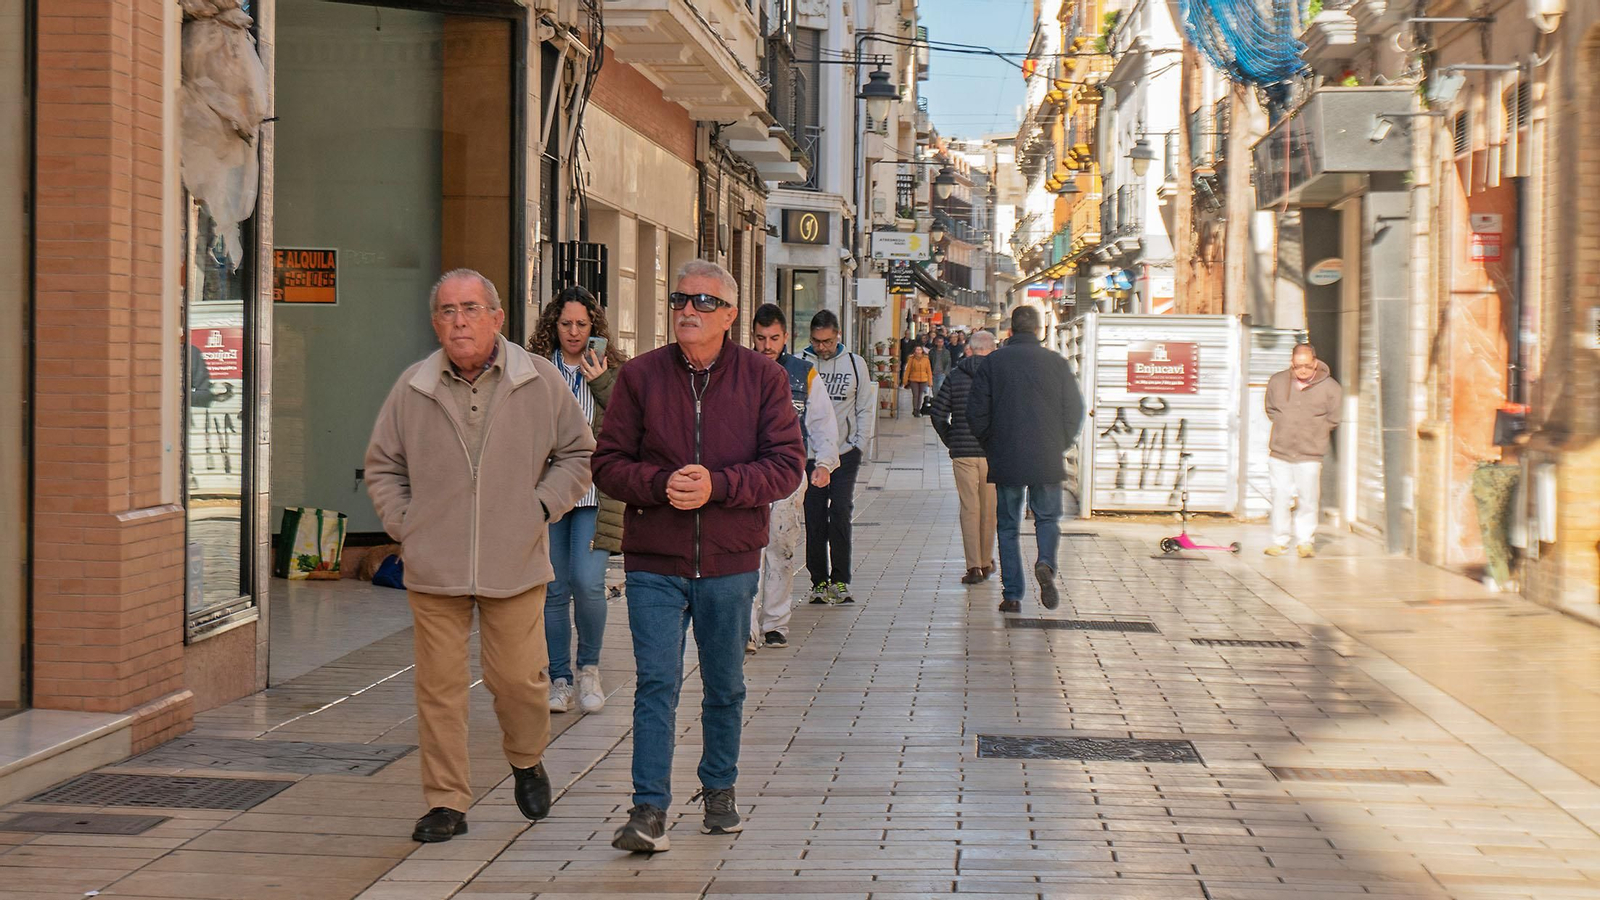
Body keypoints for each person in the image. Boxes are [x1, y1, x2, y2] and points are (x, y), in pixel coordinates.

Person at [365, 269, 595, 843]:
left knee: (518, 682)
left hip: (514, 561)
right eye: (446, 311)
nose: (458, 320)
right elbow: (384, 466)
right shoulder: (414, 386)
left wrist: (540, 507)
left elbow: (579, 453)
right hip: (434, 566)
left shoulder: (537, 380)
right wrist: (406, 525)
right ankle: (446, 802)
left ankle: (525, 757)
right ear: (435, 322)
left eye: (470, 309)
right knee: (438, 689)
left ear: (496, 318)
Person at [592, 260, 805, 853]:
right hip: (654, 560)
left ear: (731, 315)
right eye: (681, 299)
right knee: (656, 681)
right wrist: (661, 485)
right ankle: (648, 810)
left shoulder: (763, 378)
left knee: (725, 684)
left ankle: (718, 790)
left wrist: (719, 487)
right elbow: (607, 463)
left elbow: (787, 465)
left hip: (730, 561)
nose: (688, 309)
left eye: (704, 302)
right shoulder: (638, 377)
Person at [527, 286, 630, 715]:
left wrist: (599, 379)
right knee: (554, 588)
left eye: (581, 325)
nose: (572, 332)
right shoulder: (536, 370)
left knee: (588, 584)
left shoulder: (612, 370)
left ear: (595, 328)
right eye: (565, 324)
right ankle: (559, 678)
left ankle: (589, 668)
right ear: (554, 324)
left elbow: (628, 420)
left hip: (595, 493)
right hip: (550, 492)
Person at [966, 305, 1085, 614]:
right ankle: (1045, 562)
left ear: (1010, 331)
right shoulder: (1056, 363)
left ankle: (1013, 594)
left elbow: (975, 412)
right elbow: (1075, 409)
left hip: (1006, 456)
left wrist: (991, 443)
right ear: (1039, 330)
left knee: (1007, 525)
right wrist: (1060, 443)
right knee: (1047, 518)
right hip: (1046, 454)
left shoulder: (993, 363)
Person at [748, 304, 840, 650]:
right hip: (748, 473)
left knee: (781, 547)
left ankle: (775, 622)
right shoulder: (741, 369)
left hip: (788, 473)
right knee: (748, 549)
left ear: (786, 337)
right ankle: (747, 624)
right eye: (760, 338)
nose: (767, 345)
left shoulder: (805, 374)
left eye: (773, 338)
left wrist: (825, 463)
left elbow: (821, 422)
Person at [802, 309, 876, 605]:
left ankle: (840, 580)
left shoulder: (855, 365)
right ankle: (818, 580)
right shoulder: (801, 363)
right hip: (810, 455)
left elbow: (865, 407)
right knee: (814, 515)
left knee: (841, 513)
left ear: (838, 336)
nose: (822, 347)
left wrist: (860, 444)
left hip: (845, 453)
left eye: (828, 341)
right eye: (817, 342)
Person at [930, 330, 998, 584]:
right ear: (992, 350)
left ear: (969, 349)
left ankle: (973, 567)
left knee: (969, 508)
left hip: (963, 453)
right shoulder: (998, 377)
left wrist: (952, 438)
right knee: (989, 510)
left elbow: (938, 413)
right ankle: (985, 560)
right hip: (991, 453)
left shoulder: (956, 376)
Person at [1264, 344, 1341, 558]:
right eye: (1298, 367)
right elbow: (1270, 409)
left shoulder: (1331, 388)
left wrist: (1317, 433)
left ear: (1315, 362)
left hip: (1310, 453)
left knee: (1308, 498)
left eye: (1307, 366)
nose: (1303, 371)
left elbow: (1334, 419)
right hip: (1280, 451)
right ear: (1292, 363)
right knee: (1280, 497)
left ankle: (1305, 541)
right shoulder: (1277, 382)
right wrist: (1283, 425)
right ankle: (1279, 540)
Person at [903, 345, 933, 416]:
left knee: (920, 395)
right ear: (914, 351)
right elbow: (908, 370)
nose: (918, 351)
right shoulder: (911, 359)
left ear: (922, 351)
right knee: (915, 395)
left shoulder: (926, 359)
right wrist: (905, 380)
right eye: (917, 349)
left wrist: (930, 381)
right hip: (914, 379)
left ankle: (918, 409)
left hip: (923, 379)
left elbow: (929, 371)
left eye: (920, 349)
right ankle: (915, 409)